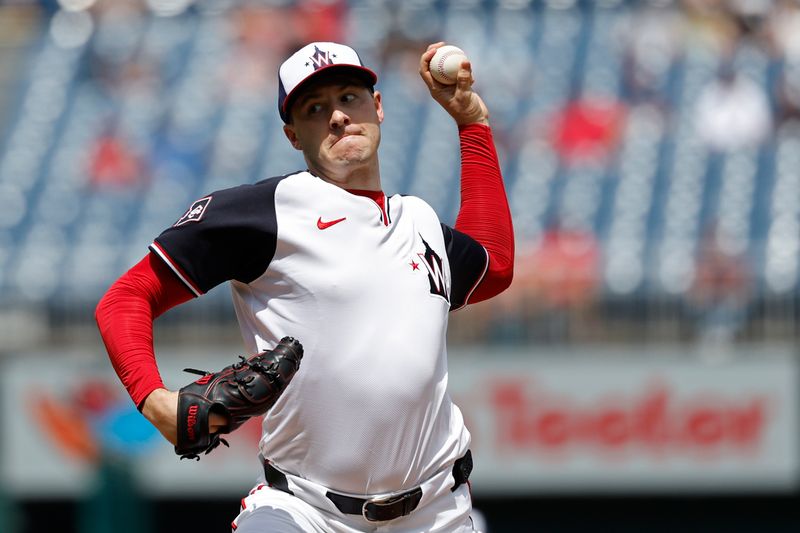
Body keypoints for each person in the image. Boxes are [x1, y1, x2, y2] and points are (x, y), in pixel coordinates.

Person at [95, 41, 514, 532]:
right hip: (303, 510)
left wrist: (472, 123)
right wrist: (154, 398)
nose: (338, 116)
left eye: (349, 97)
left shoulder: (417, 220)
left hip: (436, 511)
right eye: (315, 109)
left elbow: (495, 267)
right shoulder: (265, 211)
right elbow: (126, 297)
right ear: (293, 135)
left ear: (377, 107)